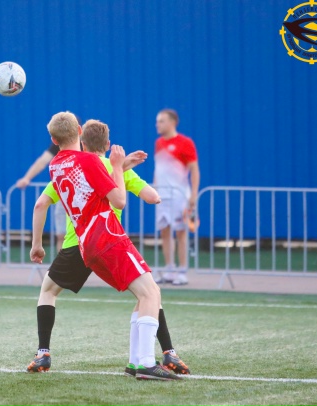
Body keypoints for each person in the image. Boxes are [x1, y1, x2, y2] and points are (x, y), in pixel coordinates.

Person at [26, 119, 190, 378]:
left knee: (49, 291)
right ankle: (151, 360)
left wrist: (37, 244)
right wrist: (118, 167)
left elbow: (44, 202)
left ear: (56, 141)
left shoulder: (57, 166)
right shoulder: (94, 163)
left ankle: (45, 351)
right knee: (150, 293)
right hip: (108, 236)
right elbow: (126, 199)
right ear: (79, 132)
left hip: (80, 243)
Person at [16, 115, 82, 252]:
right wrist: (27, 178)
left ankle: (65, 263)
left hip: (70, 192)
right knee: (63, 235)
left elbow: (40, 205)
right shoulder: (62, 150)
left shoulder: (82, 148)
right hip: (68, 192)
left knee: (65, 236)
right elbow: (43, 161)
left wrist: (27, 178)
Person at [153, 109, 200, 286]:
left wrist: (193, 194)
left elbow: (194, 169)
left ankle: (182, 271)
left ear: (173, 122)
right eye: (157, 121)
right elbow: (158, 169)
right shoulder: (158, 143)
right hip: (162, 195)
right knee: (164, 231)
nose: (158, 124)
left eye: (161, 121)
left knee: (181, 232)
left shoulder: (185, 143)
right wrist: (155, 189)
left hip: (179, 195)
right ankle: (169, 269)